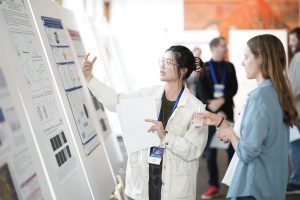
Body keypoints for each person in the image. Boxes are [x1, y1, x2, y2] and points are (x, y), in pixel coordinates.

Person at [82, 45, 208, 200]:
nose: (162, 65)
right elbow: (116, 102)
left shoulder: (196, 108)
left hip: (174, 187)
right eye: (162, 60)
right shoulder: (147, 95)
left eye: (168, 62)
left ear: (182, 71)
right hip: (144, 181)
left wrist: (166, 136)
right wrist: (90, 79)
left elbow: (193, 150)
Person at [194, 34, 298, 200]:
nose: (242, 62)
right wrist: (222, 122)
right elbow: (262, 135)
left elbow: (247, 152)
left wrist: (230, 133)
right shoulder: (278, 93)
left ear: (261, 58)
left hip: (253, 188)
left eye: (246, 56)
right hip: (272, 187)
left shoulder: (259, 97)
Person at [196, 37, 238, 199]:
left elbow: (233, 87)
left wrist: (222, 101)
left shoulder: (230, 66)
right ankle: (213, 185)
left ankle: (235, 183)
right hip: (211, 113)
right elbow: (201, 90)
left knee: (232, 149)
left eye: (225, 46)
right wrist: (213, 108)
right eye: (222, 46)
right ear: (213, 47)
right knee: (211, 152)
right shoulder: (204, 68)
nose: (225, 48)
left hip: (227, 111)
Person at [287, 27, 300, 194]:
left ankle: (296, 181)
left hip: (297, 111)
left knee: (295, 146)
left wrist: (286, 107)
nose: (290, 43)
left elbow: (294, 87)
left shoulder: (297, 58)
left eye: (293, 40)